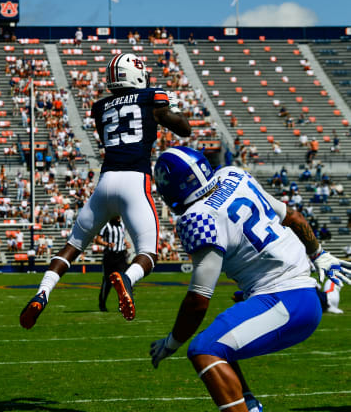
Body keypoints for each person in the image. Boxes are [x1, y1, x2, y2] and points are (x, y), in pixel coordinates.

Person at [149, 147, 351, 412]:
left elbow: (198, 299)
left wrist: (171, 343)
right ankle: (251, 405)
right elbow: (293, 217)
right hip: (299, 294)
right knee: (217, 340)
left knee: (203, 349)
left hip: (286, 300)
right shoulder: (233, 175)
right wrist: (319, 254)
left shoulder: (197, 218)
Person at [20, 53, 191, 329]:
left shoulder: (100, 107)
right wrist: (172, 110)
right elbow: (184, 129)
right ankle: (127, 278)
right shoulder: (151, 97)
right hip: (135, 181)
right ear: (136, 74)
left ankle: (43, 292)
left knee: (72, 246)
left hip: (105, 182)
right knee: (148, 253)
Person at [94, 216, 130, 311]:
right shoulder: (106, 225)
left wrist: (125, 243)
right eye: (117, 216)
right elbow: (97, 240)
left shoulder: (122, 225)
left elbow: (121, 237)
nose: (119, 218)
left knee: (122, 280)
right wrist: (107, 244)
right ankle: (102, 303)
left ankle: (122, 305)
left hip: (121, 256)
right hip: (110, 256)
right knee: (108, 281)